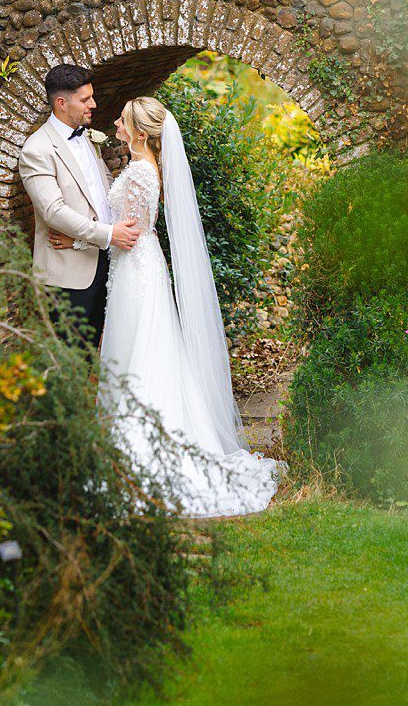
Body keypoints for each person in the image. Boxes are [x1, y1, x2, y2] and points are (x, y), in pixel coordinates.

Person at [94, 96, 284, 518]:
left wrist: (89, 233)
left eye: (122, 121)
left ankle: (139, 451)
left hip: (136, 267)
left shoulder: (141, 171)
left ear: (140, 132)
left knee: (140, 349)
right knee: (143, 347)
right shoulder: (144, 166)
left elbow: (129, 229)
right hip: (137, 265)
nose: (116, 125)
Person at [17, 64, 140, 347]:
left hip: (102, 261)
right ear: (62, 103)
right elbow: (53, 211)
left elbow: (104, 191)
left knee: (97, 350)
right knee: (69, 356)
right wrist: (108, 234)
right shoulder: (37, 150)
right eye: (85, 99)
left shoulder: (86, 136)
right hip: (68, 275)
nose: (93, 104)